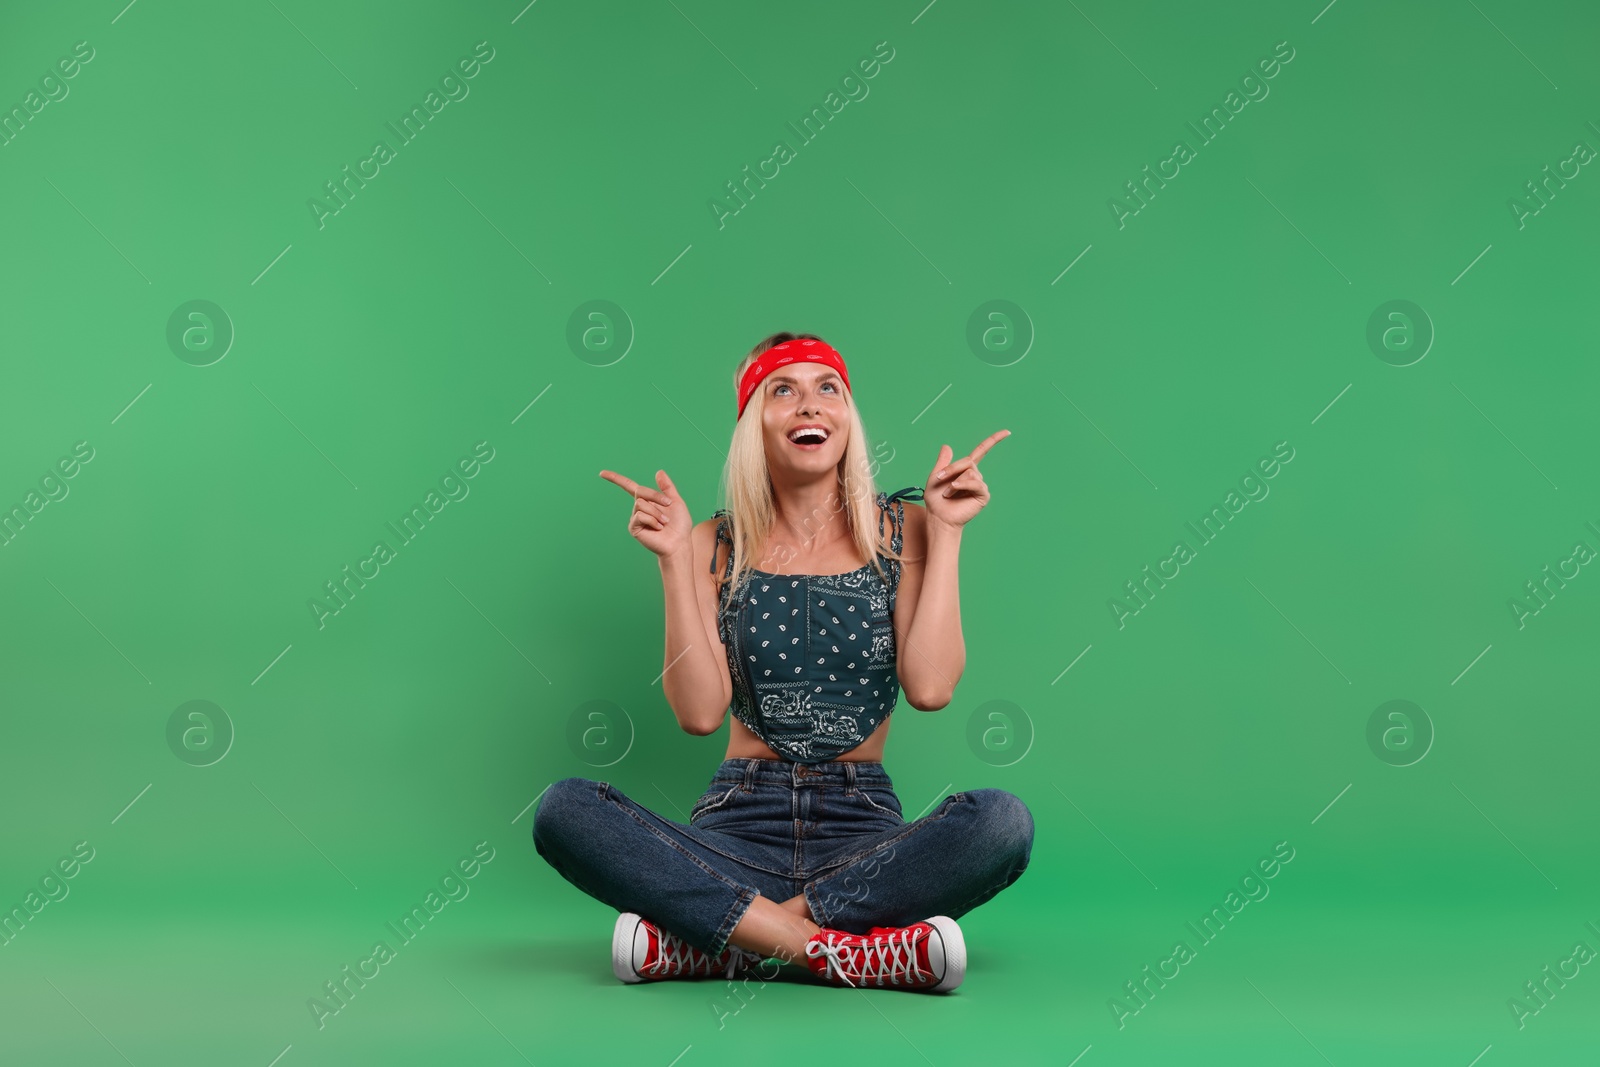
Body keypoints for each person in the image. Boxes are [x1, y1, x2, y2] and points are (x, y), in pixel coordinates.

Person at [533, 332, 1033, 992]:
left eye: (828, 389)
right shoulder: (712, 542)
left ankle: (723, 943)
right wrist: (673, 561)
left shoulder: (904, 527)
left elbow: (932, 686)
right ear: (753, 423)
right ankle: (835, 948)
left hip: (862, 835)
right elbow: (699, 712)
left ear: (849, 418)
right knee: (563, 809)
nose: (811, 406)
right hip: (739, 827)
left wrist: (947, 533)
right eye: (784, 391)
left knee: (1000, 822)